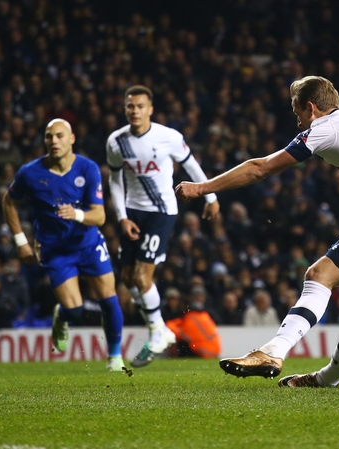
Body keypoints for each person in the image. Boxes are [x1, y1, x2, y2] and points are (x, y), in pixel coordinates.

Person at [176, 76, 339, 387]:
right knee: (318, 275)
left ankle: (326, 379)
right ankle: (273, 352)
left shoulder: (324, 129)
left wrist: (202, 187)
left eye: (296, 111)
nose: (297, 119)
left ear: (311, 108)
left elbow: (261, 168)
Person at [106, 85, 220, 367]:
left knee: (143, 278)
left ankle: (159, 332)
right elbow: (114, 181)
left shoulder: (168, 137)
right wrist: (122, 217)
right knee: (129, 279)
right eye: (130, 106)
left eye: (140, 106)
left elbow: (191, 165)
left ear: (150, 109)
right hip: (132, 213)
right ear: (125, 109)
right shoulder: (115, 142)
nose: (135, 111)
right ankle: (159, 330)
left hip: (161, 211)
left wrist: (211, 195)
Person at [2, 119, 125, 372]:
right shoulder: (30, 173)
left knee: (109, 301)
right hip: (55, 251)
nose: (54, 141)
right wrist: (20, 241)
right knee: (75, 310)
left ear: (72, 139)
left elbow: (99, 216)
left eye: (59, 136)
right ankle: (62, 315)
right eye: (49, 137)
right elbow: (9, 201)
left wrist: (77, 215)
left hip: (88, 244)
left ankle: (114, 357)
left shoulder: (87, 169)